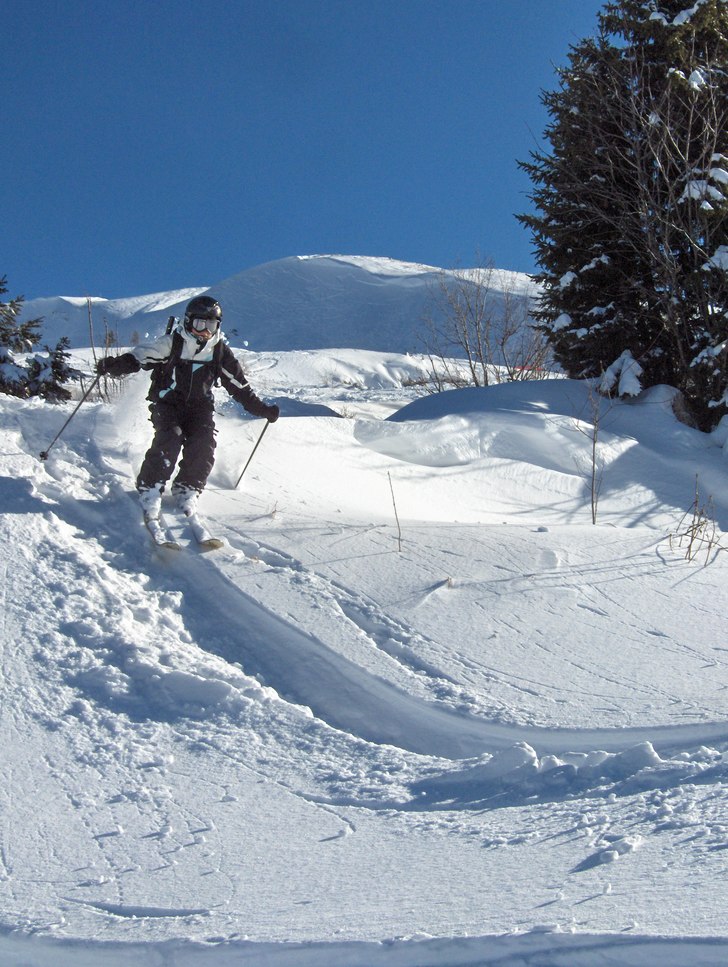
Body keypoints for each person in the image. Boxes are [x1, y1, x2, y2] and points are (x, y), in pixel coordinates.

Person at [96, 295, 279, 520]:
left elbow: (239, 386)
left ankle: (187, 488)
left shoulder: (219, 351)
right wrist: (117, 365)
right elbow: (141, 356)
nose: (205, 331)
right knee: (171, 438)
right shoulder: (172, 343)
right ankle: (150, 487)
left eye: (211, 325)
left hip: (199, 408)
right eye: (200, 324)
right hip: (167, 404)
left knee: (204, 441)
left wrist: (262, 410)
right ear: (188, 322)